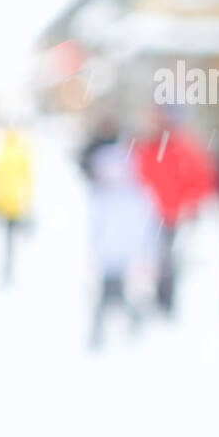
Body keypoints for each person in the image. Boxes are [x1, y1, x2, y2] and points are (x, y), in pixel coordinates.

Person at [133, 105, 219, 315]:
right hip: (146, 214)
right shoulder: (146, 146)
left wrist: (188, 204)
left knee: (166, 259)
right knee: (148, 259)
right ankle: (149, 297)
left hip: (171, 215)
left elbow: (204, 180)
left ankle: (165, 301)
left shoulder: (184, 147)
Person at [85, 140, 156, 348]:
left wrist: (145, 252)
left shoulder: (135, 197)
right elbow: (93, 227)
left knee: (128, 293)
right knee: (103, 295)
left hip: (129, 258)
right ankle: (97, 333)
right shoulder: (100, 197)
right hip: (107, 257)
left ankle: (134, 325)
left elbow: (145, 227)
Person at [0, 125, 34, 286]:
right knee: (5, 237)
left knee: (7, 236)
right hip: (8, 202)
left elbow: (25, 178)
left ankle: (6, 267)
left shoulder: (4, 152)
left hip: (8, 201)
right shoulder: (11, 152)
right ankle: (5, 266)